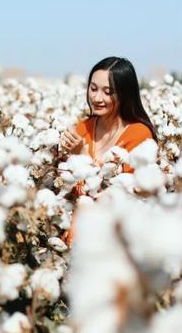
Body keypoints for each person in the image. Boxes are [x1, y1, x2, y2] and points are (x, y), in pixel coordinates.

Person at [59, 56, 158, 247]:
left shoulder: (139, 135)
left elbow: (126, 195)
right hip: (72, 237)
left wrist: (81, 156)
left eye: (108, 92)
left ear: (124, 94)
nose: (97, 98)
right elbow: (63, 186)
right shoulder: (83, 128)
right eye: (93, 88)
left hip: (113, 243)